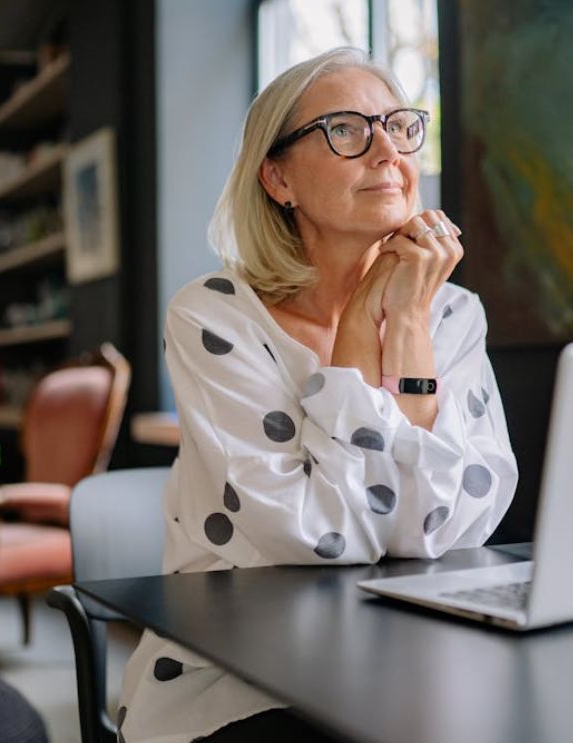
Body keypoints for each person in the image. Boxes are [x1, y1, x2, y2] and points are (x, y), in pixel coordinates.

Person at [117, 47, 518, 742]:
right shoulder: (211, 317)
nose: (386, 149)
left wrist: (408, 321)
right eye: (346, 130)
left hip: (412, 655)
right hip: (238, 678)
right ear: (276, 178)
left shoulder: (451, 314)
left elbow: (443, 531)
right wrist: (363, 323)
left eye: (398, 126)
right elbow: (317, 539)